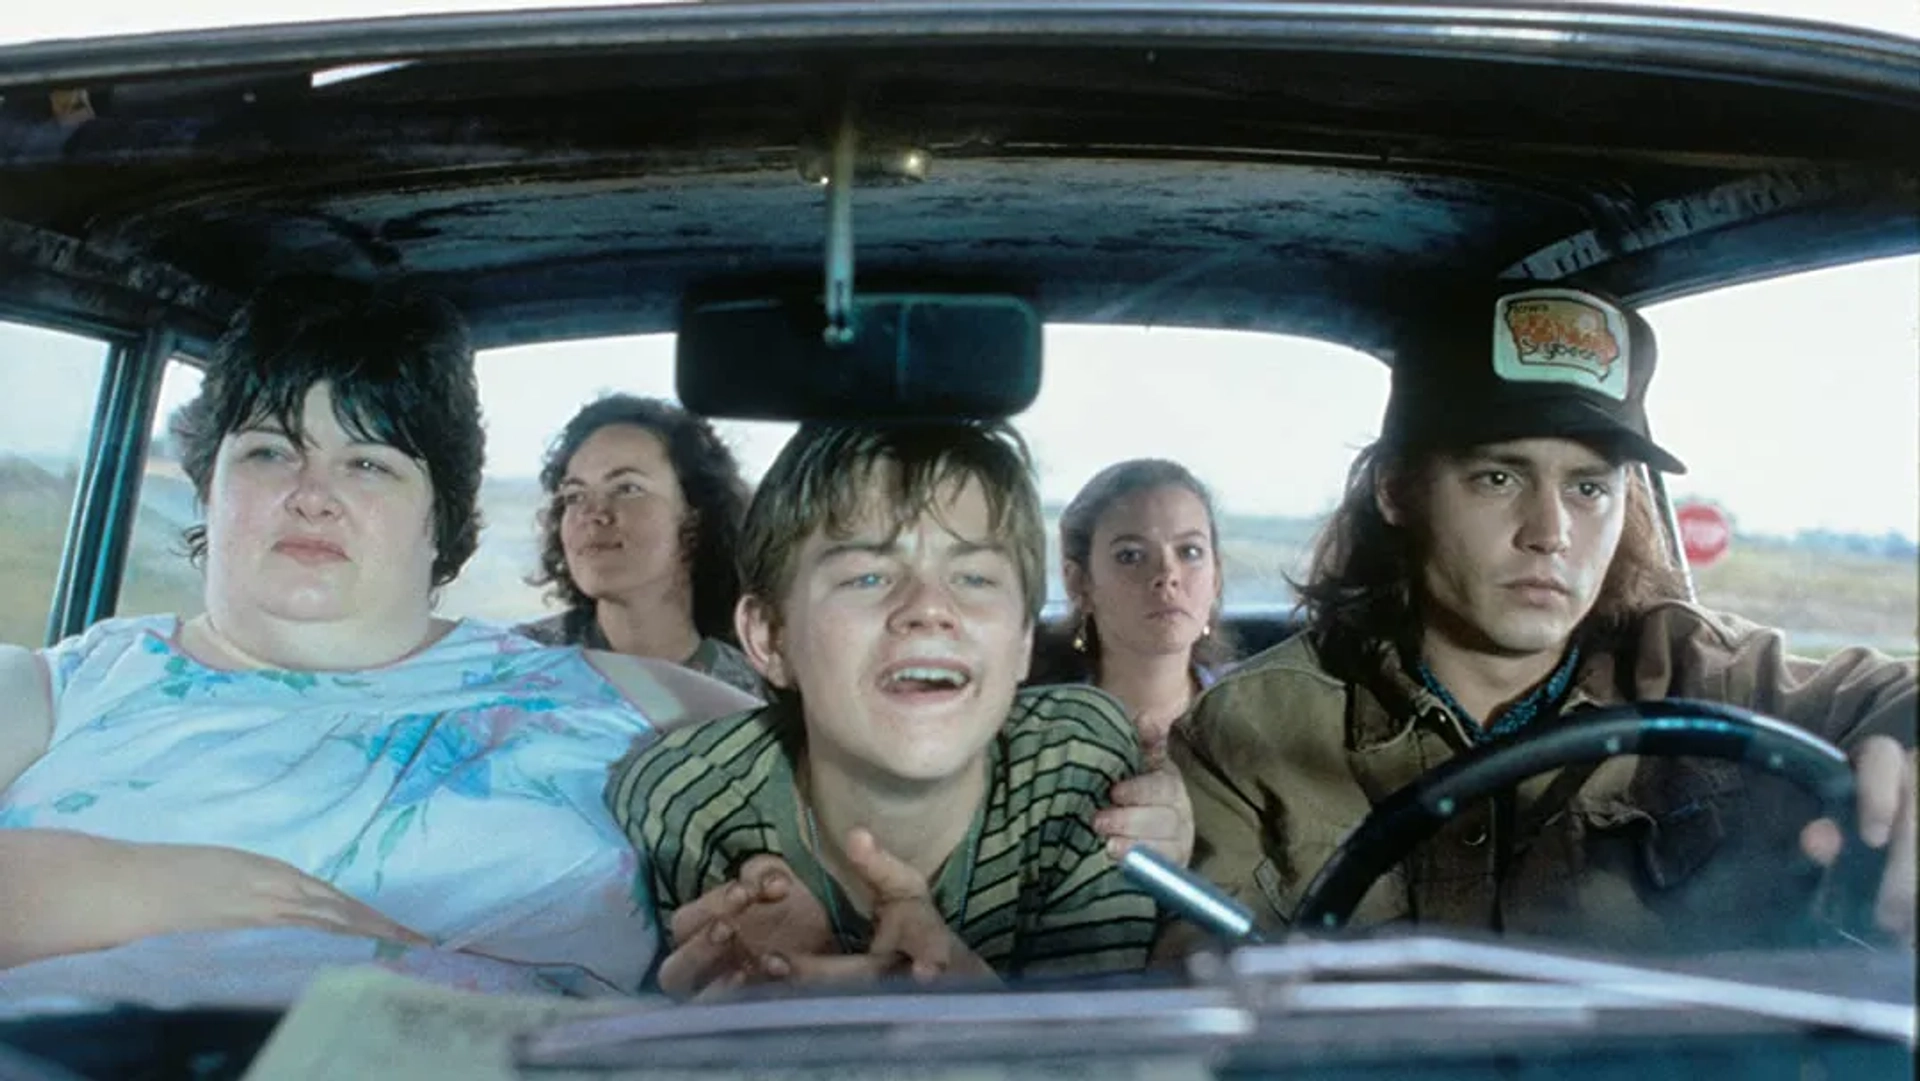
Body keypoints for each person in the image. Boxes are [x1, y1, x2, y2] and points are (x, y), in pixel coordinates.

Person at [0, 279, 755, 991]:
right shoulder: (53, 689)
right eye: (270, 450)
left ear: (442, 520)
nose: (312, 495)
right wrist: (144, 888)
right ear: (207, 486)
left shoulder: (632, 701)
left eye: (368, 462)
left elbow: (859, 842)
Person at [1171, 284, 1916, 954]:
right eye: (1499, 477)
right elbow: (1200, 1012)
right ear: (1399, 491)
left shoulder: (1710, 674)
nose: (1550, 530)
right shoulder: (1248, 731)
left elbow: (1894, 697)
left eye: (1589, 487)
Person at [608, 422, 1169, 998]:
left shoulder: (1077, 760)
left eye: (974, 577)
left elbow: (1092, 1055)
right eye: (868, 576)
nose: (929, 608)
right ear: (771, 638)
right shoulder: (688, 799)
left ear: (1024, 639)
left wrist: (963, 1014)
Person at [517, 395, 764, 697]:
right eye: (575, 495)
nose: (593, 514)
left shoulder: (756, 702)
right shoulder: (514, 666)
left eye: (626, 489)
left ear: (696, 513)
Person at [1036, 458, 1239, 745]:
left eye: (1190, 552)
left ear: (1215, 577)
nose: (1167, 574)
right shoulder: (1033, 732)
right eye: (1130, 556)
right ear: (1079, 582)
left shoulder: (1260, 714)